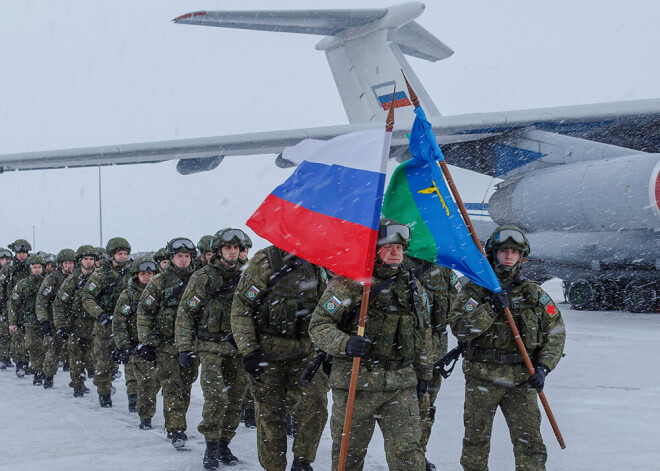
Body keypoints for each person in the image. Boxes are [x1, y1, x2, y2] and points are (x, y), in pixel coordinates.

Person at [309, 219, 431, 471]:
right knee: (348, 456)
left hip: (401, 384)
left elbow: (422, 332)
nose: (395, 252)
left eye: (399, 248)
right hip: (356, 383)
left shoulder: (413, 287)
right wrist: (345, 343)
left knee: (409, 455)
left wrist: (424, 376)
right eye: (388, 247)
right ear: (374, 250)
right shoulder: (349, 283)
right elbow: (319, 325)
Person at [449, 225, 566, 471]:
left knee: (530, 443)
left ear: (521, 256)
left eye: (514, 251)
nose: (509, 256)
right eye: (504, 251)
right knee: (476, 440)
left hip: (522, 378)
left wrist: (544, 367)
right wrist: (490, 307)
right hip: (482, 376)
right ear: (493, 254)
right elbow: (460, 328)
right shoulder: (474, 290)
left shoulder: (533, 293)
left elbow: (556, 331)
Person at [231, 245, 329, 471]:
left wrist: (328, 347)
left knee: (316, 403)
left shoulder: (314, 261)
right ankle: (274, 466)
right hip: (268, 354)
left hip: (306, 352)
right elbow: (242, 309)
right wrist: (249, 351)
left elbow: (325, 307)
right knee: (271, 414)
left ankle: (303, 461)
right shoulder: (264, 262)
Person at [176, 228, 249, 469]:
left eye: (236, 248)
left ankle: (224, 443)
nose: (232, 252)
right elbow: (186, 313)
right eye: (228, 248)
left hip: (237, 349)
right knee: (216, 397)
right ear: (218, 250)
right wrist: (184, 348)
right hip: (209, 347)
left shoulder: (247, 277)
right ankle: (210, 445)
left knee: (235, 398)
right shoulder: (203, 277)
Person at [136, 237, 198, 449]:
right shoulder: (159, 282)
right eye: (179, 256)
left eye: (187, 256)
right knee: (172, 385)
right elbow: (144, 312)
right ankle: (176, 429)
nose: (183, 260)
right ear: (171, 258)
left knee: (187, 384)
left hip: (191, 344)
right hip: (166, 344)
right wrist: (148, 342)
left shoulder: (199, 280)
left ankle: (177, 420)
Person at [403, 256, 460, 471]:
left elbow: (458, 308)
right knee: (404, 408)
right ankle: (405, 456)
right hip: (405, 350)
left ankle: (418, 455)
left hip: (436, 351)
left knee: (426, 407)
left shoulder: (444, 269)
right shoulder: (396, 262)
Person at [82, 237, 132, 407]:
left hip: (126, 325)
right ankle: (104, 393)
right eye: (120, 253)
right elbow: (87, 297)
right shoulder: (101, 274)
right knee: (103, 362)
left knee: (132, 362)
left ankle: (134, 396)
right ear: (112, 255)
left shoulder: (132, 273)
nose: (123, 257)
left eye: (125, 253)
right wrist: (100, 314)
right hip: (105, 325)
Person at [113, 256, 160, 422]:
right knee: (146, 381)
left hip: (159, 344)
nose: (147, 277)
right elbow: (119, 323)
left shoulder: (162, 293)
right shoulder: (128, 297)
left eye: (150, 273)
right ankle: (145, 416)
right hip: (137, 346)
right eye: (143, 274)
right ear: (136, 275)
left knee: (157, 382)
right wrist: (123, 346)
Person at [53, 245, 98, 397]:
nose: (89, 262)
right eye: (86, 259)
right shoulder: (72, 280)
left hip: (95, 324)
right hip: (76, 324)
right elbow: (59, 304)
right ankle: (78, 385)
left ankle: (103, 386)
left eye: (91, 259)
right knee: (76, 357)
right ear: (80, 261)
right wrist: (61, 325)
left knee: (96, 356)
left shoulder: (100, 278)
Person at [36, 248, 76, 389]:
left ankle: (78, 382)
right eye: (66, 263)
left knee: (76, 353)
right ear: (60, 264)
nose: (68, 266)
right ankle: (48, 376)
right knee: (54, 350)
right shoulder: (52, 279)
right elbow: (41, 301)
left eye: (71, 263)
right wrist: (44, 321)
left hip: (73, 320)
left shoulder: (78, 278)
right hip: (54, 321)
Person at [8, 254, 47, 384]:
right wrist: (13, 322)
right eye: (34, 267)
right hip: (29, 320)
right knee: (33, 346)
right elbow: (14, 304)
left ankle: (44, 371)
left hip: (46, 320)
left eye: (39, 267)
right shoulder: (22, 284)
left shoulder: (47, 282)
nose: (37, 270)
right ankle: (37, 372)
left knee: (46, 347)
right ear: (30, 268)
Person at [1, 239, 32, 375]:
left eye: (24, 253)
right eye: (19, 253)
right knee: (16, 335)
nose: (22, 255)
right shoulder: (8, 267)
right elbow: (2, 286)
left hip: (30, 304)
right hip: (13, 304)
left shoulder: (32, 265)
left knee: (31, 336)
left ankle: (29, 362)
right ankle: (20, 363)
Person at [0, 247, 15, 369]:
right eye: (2, 259)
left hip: (8, 306)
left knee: (6, 333)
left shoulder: (11, 271)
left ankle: (5, 356)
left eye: (8, 259)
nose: (5, 261)